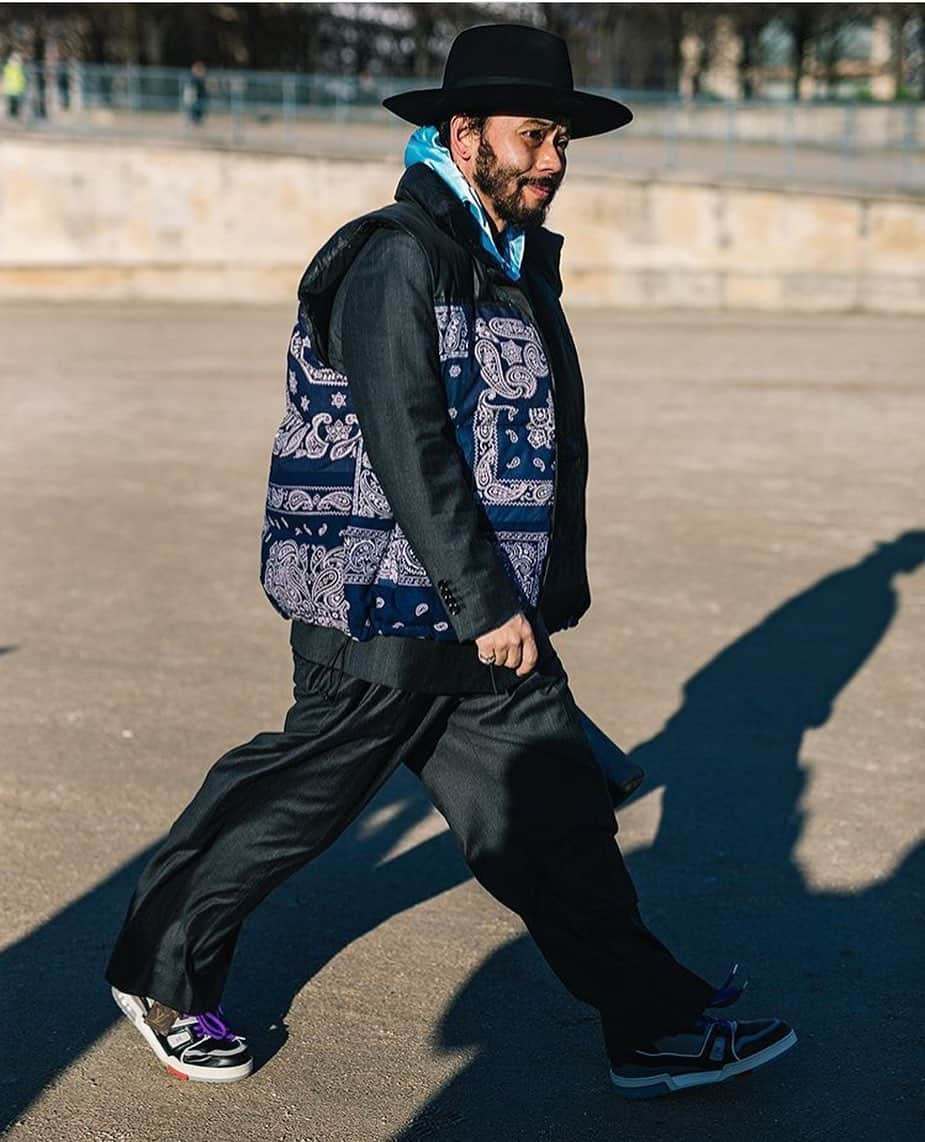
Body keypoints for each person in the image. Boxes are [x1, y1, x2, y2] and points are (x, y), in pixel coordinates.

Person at [106, 23, 796, 1099]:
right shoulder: (396, 255)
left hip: (485, 619)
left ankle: (649, 1022)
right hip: (379, 610)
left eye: (561, 139)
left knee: (556, 823)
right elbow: (406, 438)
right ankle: (161, 976)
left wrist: (527, 596)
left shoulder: (500, 260)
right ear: (460, 132)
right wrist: (485, 598)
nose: (552, 161)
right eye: (533, 136)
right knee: (294, 804)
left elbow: (530, 438)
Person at [3, 52, 26, 119]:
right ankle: (11, 115)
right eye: (13, 59)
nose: (14, 61)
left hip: (17, 89)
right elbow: (6, 78)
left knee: (16, 104)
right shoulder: (8, 68)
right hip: (10, 89)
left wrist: (22, 87)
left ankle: (15, 115)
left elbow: (22, 79)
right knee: (11, 103)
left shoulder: (20, 68)